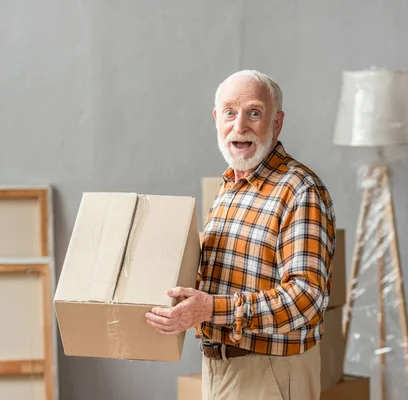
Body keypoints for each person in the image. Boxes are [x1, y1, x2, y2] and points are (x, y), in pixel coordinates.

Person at [145, 70, 336, 400]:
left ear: (276, 123)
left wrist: (209, 309)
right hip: (221, 370)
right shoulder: (230, 186)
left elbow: (307, 300)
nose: (240, 125)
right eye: (230, 113)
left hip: (271, 373)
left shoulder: (300, 190)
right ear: (217, 119)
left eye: (255, 113)